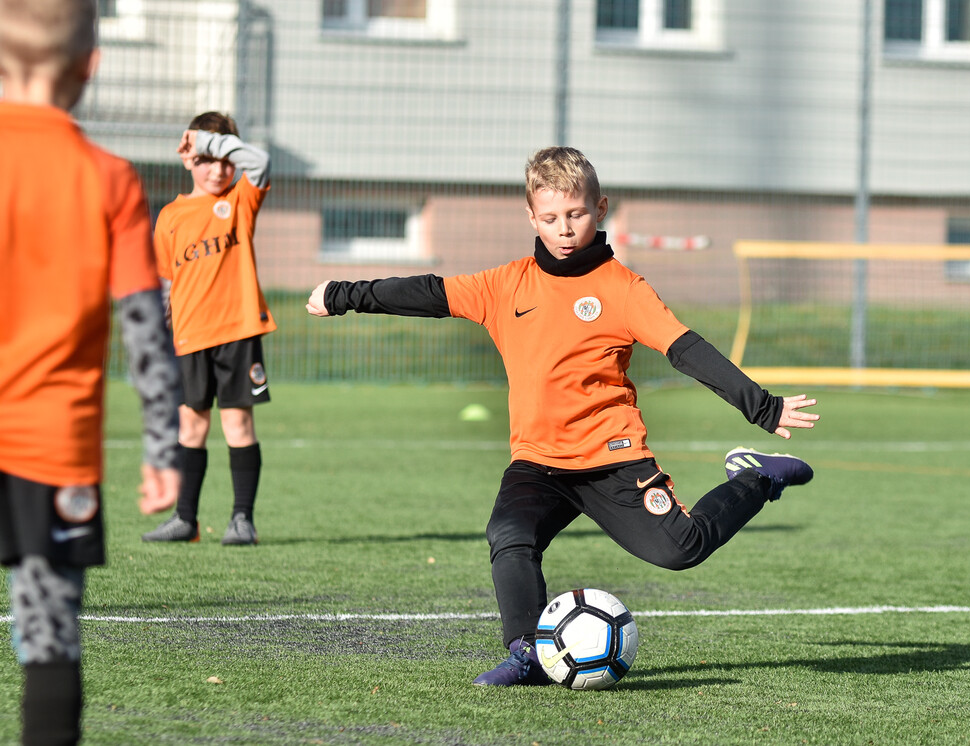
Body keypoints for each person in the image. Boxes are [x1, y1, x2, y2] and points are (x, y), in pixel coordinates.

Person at [305, 146, 820, 686]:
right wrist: (345, 295)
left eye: (575, 214)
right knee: (509, 533)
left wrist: (764, 407)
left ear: (599, 209)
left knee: (681, 550)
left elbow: (686, 349)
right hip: (539, 462)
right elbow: (432, 292)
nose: (564, 228)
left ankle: (757, 477)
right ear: (532, 217)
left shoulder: (623, 289)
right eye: (550, 218)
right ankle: (527, 653)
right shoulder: (507, 284)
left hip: (611, 460)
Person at [0, 0, 183, 741]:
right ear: (91, 66)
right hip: (51, 451)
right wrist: (164, 452)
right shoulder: (108, 178)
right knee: (48, 635)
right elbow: (145, 331)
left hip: (48, 449)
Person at [141, 111, 276, 546]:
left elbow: (260, 161)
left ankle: (242, 520)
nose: (217, 169)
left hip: (237, 332)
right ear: (187, 161)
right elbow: (163, 285)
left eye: (224, 158)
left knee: (237, 425)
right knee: (191, 428)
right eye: (205, 159)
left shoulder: (240, 200)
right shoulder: (170, 217)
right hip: (188, 337)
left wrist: (208, 140)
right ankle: (186, 520)